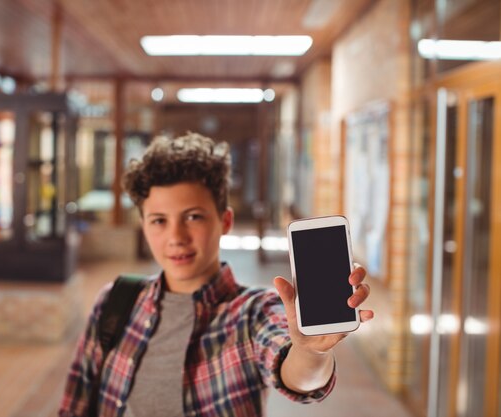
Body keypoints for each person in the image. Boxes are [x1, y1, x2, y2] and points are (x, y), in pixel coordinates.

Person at [59, 132, 374, 417]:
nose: (176, 237)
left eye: (193, 217)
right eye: (158, 221)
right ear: (143, 226)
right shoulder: (115, 302)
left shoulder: (254, 313)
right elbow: (75, 406)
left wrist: (309, 351)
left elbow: (299, 377)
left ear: (225, 221)